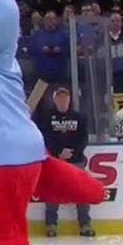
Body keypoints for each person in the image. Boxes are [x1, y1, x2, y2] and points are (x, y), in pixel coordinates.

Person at [33, 87, 94, 237]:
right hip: (55, 160)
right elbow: (45, 137)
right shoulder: (47, 117)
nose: (62, 100)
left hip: (76, 160)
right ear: (55, 100)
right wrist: (58, 152)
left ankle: (85, 224)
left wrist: (73, 152)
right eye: (59, 98)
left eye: (65, 98)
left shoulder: (79, 117)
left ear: (69, 100)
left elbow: (83, 138)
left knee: (81, 192)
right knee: (53, 192)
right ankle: (51, 224)